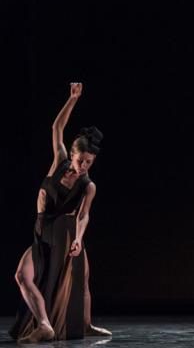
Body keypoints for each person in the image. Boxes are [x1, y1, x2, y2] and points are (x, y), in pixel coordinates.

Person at [10, 83, 112, 343]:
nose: (83, 166)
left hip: (66, 235)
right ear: (72, 154)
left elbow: (83, 215)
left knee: (83, 278)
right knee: (23, 276)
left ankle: (85, 325)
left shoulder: (89, 185)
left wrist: (78, 238)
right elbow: (57, 128)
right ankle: (45, 324)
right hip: (43, 232)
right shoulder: (59, 161)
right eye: (80, 161)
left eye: (89, 163)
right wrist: (73, 99)